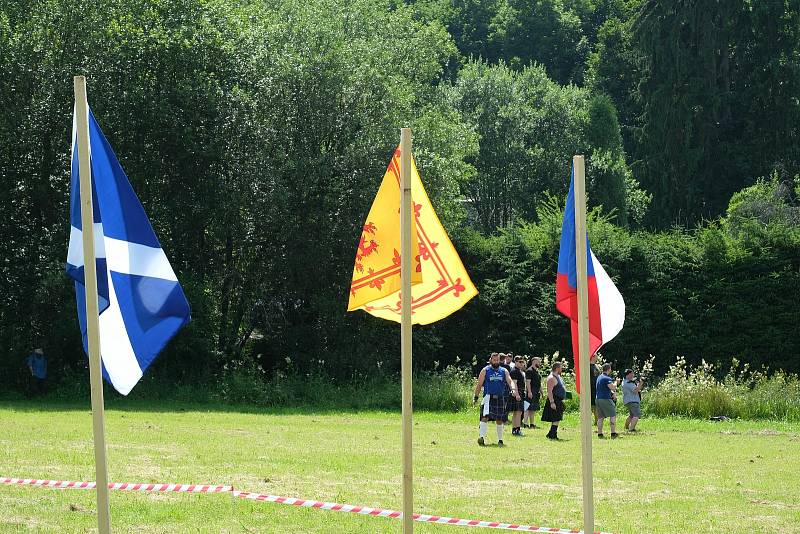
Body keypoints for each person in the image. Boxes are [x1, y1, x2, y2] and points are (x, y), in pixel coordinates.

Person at [473, 352, 521, 446]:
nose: (496, 362)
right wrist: (475, 397)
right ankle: (481, 437)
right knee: (484, 417)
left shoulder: (504, 371)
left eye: (497, 360)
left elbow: (510, 381)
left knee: (499, 419)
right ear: (491, 360)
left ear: (500, 360)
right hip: (488, 398)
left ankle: (500, 440)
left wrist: (513, 389)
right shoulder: (485, 370)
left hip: (499, 398)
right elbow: (479, 384)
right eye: (494, 360)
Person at [541, 361, 566, 440]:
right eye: (561, 368)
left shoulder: (558, 377)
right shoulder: (551, 378)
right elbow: (549, 391)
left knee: (557, 418)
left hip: (558, 400)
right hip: (554, 400)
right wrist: (552, 402)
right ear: (557, 368)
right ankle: (552, 434)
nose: (562, 369)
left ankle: (551, 433)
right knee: (556, 418)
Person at [595, 363, 620, 438]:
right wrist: (616, 382)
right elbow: (612, 387)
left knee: (600, 417)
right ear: (609, 369)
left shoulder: (599, 377)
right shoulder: (607, 378)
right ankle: (613, 433)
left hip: (598, 399)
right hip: (605, 399)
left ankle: (600, 433)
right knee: (612, 415)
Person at [509, 356, 527, 436]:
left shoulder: (519, 371)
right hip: (517, 392)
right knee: (518, 412)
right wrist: (517, 394)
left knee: (518, 412)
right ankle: (516, 429)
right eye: (520, 362)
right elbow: (514, 383)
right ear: (515, 362)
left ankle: (516, 429)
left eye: (522, 362)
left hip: (520, 392)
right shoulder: (514, 371)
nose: (521, 363)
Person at [524, 357, 542, 429]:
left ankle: (532, 424)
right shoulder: (529, 371)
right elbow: (528, 382)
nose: (540, 363)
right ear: (534, 362)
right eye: (538, 362)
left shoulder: (536, 371)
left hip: (536, 392)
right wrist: (529, 392)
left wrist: (541, 392)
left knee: (533, 409)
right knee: (527, 408)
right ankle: (525, 424)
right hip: (531, 391)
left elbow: (539, 383)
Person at [589, 355, 600, 428]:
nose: (597, 357)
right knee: (592, 405)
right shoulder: (588, 366)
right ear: (593, 356)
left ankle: (597, 420)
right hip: (591, 388)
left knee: (596, 404)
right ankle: (596, 420)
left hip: (597, 388)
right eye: (596, 355)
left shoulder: (596, 366)